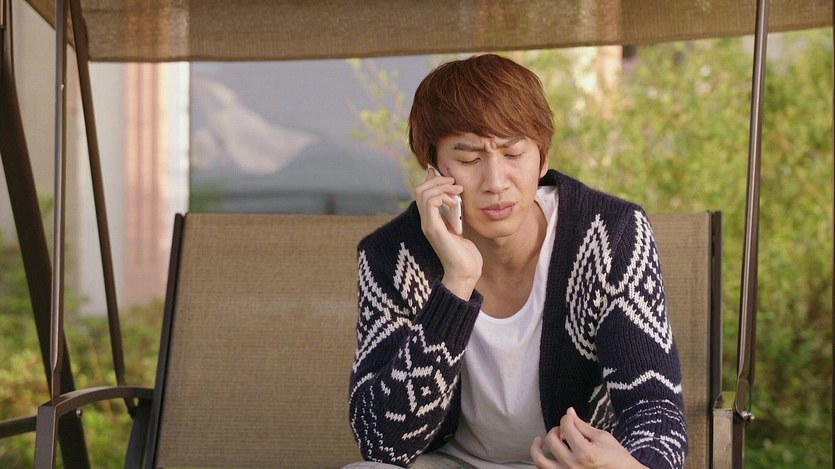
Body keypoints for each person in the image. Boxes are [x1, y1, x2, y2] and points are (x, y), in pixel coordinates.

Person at [345, 54, 687, 469]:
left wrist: (635, 465)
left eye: (512, 153)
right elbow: (381, 444)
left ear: (542, 157)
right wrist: (456, 282)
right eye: (469, 158)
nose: (495, 182)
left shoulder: (611, 234)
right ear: (431, 166)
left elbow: (655, 407)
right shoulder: (392, 255)